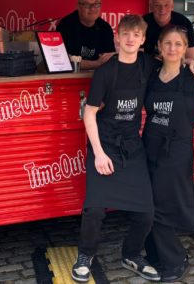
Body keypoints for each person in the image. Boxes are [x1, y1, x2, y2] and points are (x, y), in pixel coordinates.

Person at [71, 15, 158, 282]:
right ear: (117, 38)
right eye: (125, 34)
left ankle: (131, 254)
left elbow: (173, 64)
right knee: (95, 209)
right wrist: (98, 153)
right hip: (105, 145)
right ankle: (85, 255)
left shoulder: (148, 65)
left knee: (146, 213)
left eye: (136, 35)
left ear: (143, 40)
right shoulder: (106, 72)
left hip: (133, 147)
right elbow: (90, 114)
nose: (130, 39)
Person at [142, 25, 194, 282]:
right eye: (168, 44)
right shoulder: (151, 75)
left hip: (177, 150)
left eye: (179, 44)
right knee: (146, 204)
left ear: (186, 49)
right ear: (159, 47)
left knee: (162, 207)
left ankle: (174, 259)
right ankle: (154, 254)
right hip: (149, 147)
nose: (172, 48)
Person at [143, 0, 194, 78]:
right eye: (157, 5)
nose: (162, 9)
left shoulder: (184, 23)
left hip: (177, 75)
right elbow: (136, 56)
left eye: (166, 5)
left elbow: (191, 58)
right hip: (148, 74)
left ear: (172, 6)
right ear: (151, 7)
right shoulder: (143, 23)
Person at [57, 0, 115, 70]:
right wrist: (97, 63)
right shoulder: (65, 25)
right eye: (87, 5)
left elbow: (108, 61)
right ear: (79, 6)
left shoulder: (105, 28)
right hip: (71, 77)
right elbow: (63, 62)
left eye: (96, 4)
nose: (92, 8)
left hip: (97, 76)